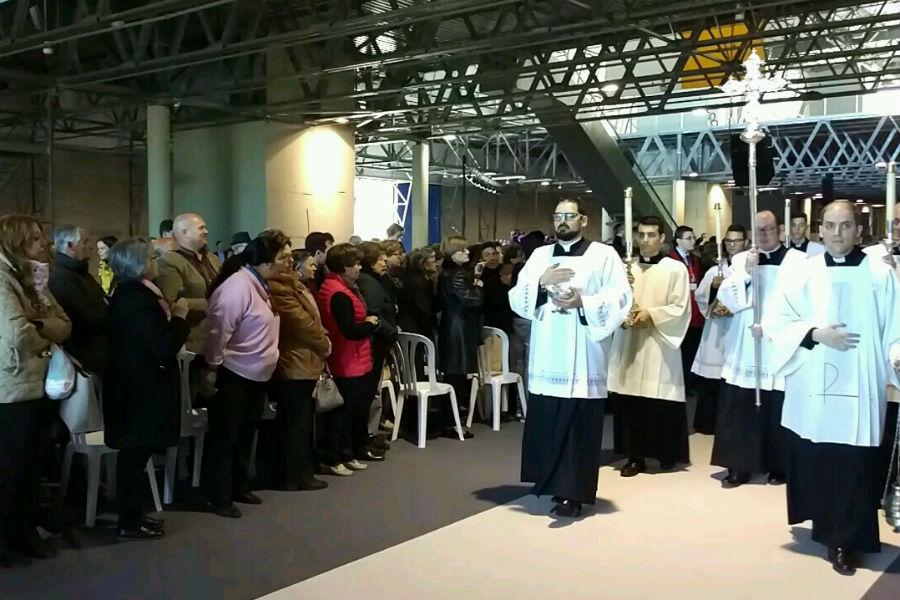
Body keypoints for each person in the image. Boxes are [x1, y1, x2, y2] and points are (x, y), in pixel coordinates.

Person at [766, 200, 900, 576]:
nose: (838, 233)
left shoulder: (879, 273)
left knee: (855, 463)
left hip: (862, 381)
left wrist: (897, 355)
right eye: (830, 226)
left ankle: (849, 538)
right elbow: (778, 319)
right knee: (821, 458)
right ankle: (829, 533)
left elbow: (895, 325)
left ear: (859, 230)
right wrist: (812, 334)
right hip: (815, 383)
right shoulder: (803, 273)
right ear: (819, 230)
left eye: (846, 226)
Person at [511, 198, 632, 517]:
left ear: (584, 220)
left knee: (578, 423)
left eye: (569, 216)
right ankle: (551, 482)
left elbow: (621, 296)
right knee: (549, 418)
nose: (563, 221)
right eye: (558, 216)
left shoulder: (604, 255)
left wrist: (585, 302)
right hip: (549, 350)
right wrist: (540, 283)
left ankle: (574, 491)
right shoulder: (539, 255)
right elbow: (517, 297)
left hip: (583, 353)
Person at [103, 238, 190, 539]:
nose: (156, 262)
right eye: (152, 257)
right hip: (138, 390)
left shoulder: (138, 294)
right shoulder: (133, 299)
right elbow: (162, 345)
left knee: (139, 455)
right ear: (139, 263)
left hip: (140, 387)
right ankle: (128, 521)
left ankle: (135, 515)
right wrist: (179, 318)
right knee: (134, 456)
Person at [711, 211, 805, 487]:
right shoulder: (742, 259)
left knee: (777, 404)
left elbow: (802, 298)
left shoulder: (798, 261)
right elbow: (727, 298)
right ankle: (739, 465)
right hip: (746, 342)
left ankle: (779, 464)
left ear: (779, 230)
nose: (764, 235)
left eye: (769, 229)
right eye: (759, 230)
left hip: (778, 341)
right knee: (741, 404)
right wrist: (746, 276)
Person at [200, 231, 288, 518]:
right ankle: (218, 496)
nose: (286, 264)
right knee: (226, 436)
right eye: (282, 258)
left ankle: (239, 486)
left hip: (256, 375)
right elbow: (217, 331)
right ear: (265, 261)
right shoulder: (237, 287)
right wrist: (212, 368)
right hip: (233, 373)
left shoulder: (259, 282)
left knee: (245, 434)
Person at [0, 215, 71, 562]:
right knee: (12, 468)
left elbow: (64, 324)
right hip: (12, 387)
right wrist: (43, 331)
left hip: (37, 383)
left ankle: (23, 532)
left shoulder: (32, 279)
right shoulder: (2, 279)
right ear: (16, 243)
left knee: (31, 465)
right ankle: (10, 538)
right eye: (36, 239)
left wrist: (39, 324)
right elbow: (17, 334)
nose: (45, 244)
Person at [609, 216, 691, 477]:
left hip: (659, 343)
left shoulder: (674, 269)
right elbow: (614, 301)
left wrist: (651, 314)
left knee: (660, 402)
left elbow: (680, 307)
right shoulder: (626, 268)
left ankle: (667, 453)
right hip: (630, 341)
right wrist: (622, 317)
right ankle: (635, 456)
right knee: (631, 402)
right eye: (641, 235)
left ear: (662, 238)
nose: (645, 240)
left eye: (651, 235)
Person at [268, 249, 331, 491]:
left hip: (305, 356)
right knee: (296, 420)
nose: (314, 268)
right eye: (284, 258)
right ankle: (293, 474)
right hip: (294, 359)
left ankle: (302, 469)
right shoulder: (280, 288)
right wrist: (323, 341)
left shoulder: (297, 286)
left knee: (302, 419)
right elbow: (300, 322)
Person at [316, 243, 380, 476]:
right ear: (344, 267)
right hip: (347, 358)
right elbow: (349, 330)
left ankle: (348, 453)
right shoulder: (339, 293)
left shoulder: (334, 286)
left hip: (350, 357)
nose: (359, 268)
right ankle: (337, 456)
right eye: (356, 264)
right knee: (343, 414)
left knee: (349, 412)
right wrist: (370, 324)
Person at [689, 225, 747, 434]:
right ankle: (708, 422)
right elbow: (701, 298)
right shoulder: (716, 270)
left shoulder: (748, 270)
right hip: (716, 329)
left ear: (746, 243)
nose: (732, 245)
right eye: (729, 241)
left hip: (738, 328)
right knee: (712, 379)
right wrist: (713, 287)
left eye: (737, 241)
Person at [437, 235, 483, 440]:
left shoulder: (447, 273)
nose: (467, 253)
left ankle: (451, 421)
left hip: (452, 326)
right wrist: (479, 286)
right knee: (456, 377)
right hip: (460, 329)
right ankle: (452, 423)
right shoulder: (456, 275)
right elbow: (471, 300)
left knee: (453, 377)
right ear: (453, 253)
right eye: (463, 250)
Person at [49, 225, 110, 375]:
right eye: (86, 241)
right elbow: (87, 317)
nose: (91, 246)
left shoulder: (80, 273)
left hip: (98, 353)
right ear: (70, 245)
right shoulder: (61, 278)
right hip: (87, 358)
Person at [156, 213, 221, 354]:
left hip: (220, 338)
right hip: (194, 342)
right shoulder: (170, 261)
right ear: (185, 233)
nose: (206, 231)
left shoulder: (213, 259)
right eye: (201, 228)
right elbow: (172, 304)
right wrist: (213, 304)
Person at [356, 242, 398, 454]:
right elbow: (373, 315)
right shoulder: (370, 284)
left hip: (377, 342)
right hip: (374, 344)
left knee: (372, 392)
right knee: (369, 392)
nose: (385, 262)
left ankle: (368, 435)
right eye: (381, 259)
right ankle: (364, 438)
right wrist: (389, 330)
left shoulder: (376, 281)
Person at [668, 225, 705, 399]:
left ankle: (689, 383)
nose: (693, 241)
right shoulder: (670, 260)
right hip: (680, 312)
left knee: (692, 351)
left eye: (693, 237)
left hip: (695, 312)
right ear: (678, 241)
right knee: (680, 353)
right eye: (689, 238)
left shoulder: (695, 260)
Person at [397, 247, 438, 339]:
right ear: (424, 265)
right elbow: (423, 309)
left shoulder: (423, 280)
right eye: (433, 261)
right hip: (416, 329)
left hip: (415, 326)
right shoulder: (417, 283)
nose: (437, 264)